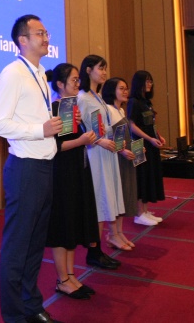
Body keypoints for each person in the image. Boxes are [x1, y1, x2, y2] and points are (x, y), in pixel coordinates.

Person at [0, 14, 64, 323]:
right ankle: (14, 315)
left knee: (35, 246)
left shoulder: (40, 74)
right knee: (18, 247)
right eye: (39, 33)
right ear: (22, 40)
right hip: (25, 169)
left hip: (45, 167)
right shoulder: (13, 73)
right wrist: (39, 130)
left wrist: (51, 128)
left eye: (46, 33)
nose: (46, 38)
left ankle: (31, 306)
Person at [45, 63, 99, 301]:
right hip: (62, 175)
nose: (78, 84)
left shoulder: (72, 106)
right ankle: (63, 280)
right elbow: (56, 146)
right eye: (74, 80)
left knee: (72, 226)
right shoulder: (56, 108)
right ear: (60, 84)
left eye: (78, 80)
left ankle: (70, 275)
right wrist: (82, 140)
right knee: (62, 228)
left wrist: (89, 136)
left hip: (77, 172)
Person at [76, 55, 124, 269]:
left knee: (104, 199)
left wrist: (115, 139)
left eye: (105, 68)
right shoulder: (83, 97)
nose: (104, 73)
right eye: (100, 68)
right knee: (97, 200)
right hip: (94, 154)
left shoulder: (98, 97)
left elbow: (102, 126)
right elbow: (80, 129)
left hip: (106, 152)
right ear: (88, 70)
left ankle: (98, 250)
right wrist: (100, 140)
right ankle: (93, 251)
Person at [101, 77, 138, 250]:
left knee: (124, 196)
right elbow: (106, 137)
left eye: (126, 88)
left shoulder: (121, 110)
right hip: (115, 158)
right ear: (111, 91)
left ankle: (119, 232)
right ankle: (112, 234)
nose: (125, 91)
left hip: (125, 159)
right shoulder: (107, 110)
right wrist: (122, 151)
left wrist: (136, 149)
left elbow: (123, 137)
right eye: (121, 88)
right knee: (116, 197)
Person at [128, 71, 166, 226]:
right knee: (141, 177)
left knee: (149, 176)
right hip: (139, 144)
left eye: (151, 81)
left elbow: (151, 123)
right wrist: (149, 138)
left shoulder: (146, 102)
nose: (150, 84)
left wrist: (158, 135)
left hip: (150, 144)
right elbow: (131, 125)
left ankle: (145, 210)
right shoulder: (134, 102)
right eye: (147, 81)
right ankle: (139, 213)